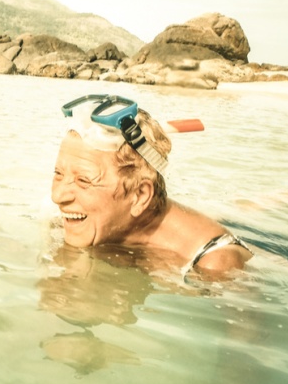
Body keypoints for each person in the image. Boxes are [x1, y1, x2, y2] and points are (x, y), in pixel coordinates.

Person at [51, 94, 253, 279]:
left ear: (139, 195)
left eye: (84, 181)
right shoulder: (89, 222)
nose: (58, 196)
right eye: (58, 174)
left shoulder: (216, 265)